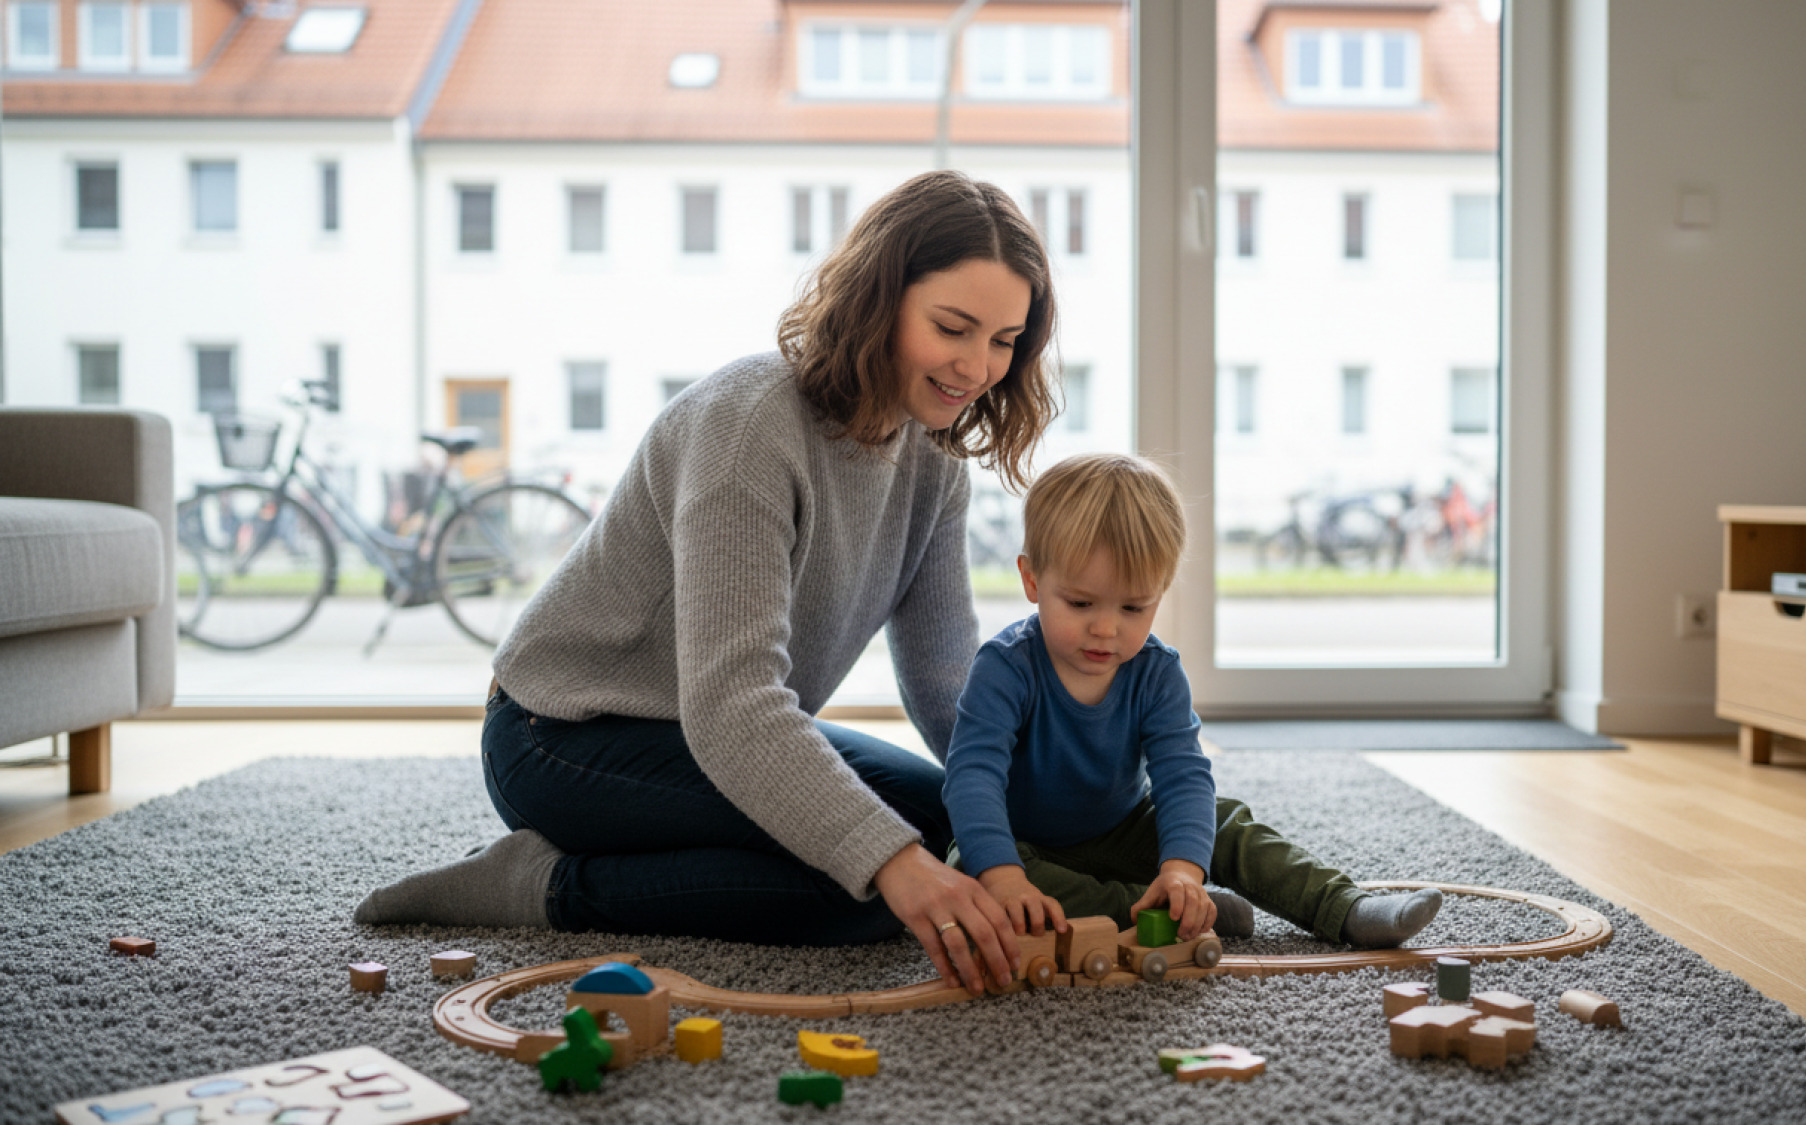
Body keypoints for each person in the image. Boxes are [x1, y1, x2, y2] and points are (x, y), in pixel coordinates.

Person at [354, 170, 1063, 995]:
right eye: (954, 327)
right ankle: (537, 883)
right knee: (870, 888)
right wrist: (897, 866)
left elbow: (947, 684)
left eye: (1006, 340)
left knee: (948, 822)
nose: (980, 366)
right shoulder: (749, 425)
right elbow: (734, 707)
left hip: (710, 731)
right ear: (880, 299)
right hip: (561, 735)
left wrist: (1051, 835)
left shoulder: (933, 463)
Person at [942, 453, 1444, 948]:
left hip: (1123, 831)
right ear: (1031, 580)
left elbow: (1182, 776)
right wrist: (1004, 875)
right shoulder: (1005, 667)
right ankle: (1160, 912)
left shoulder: (1156, 671)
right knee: (969, 867)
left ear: (1160, 594)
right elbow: (972, 776)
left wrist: (1182, 869)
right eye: (1080, 603)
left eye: (1134, 607)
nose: (1105, 627)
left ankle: (1344, 907)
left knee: (1223, 822)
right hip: (1024, 847)